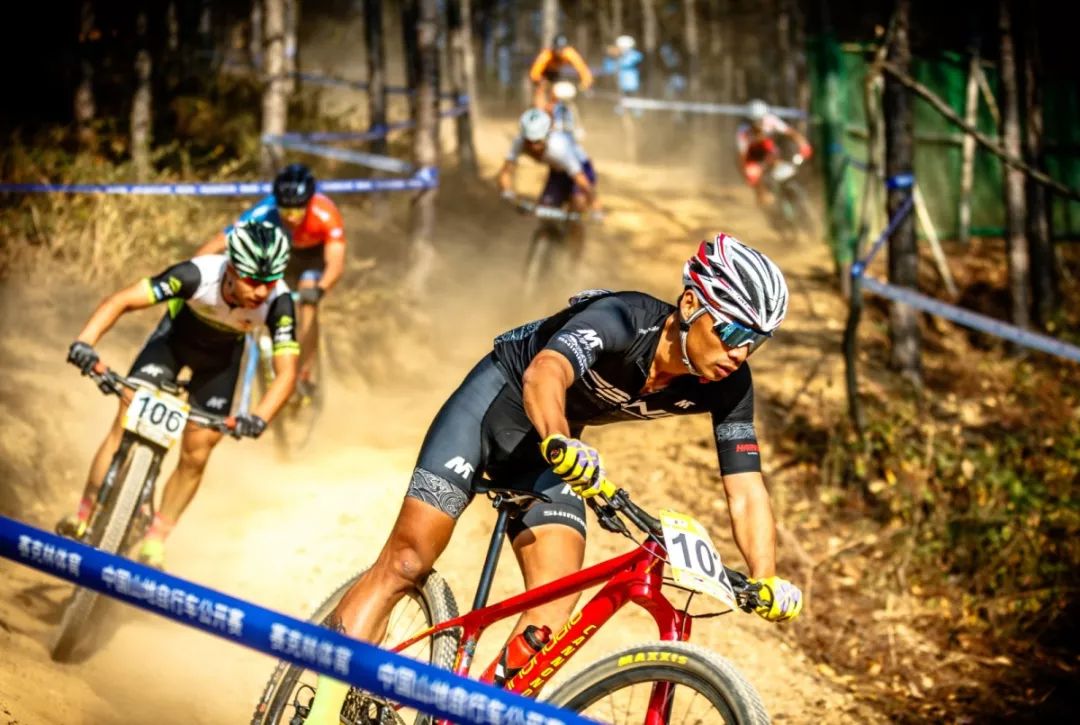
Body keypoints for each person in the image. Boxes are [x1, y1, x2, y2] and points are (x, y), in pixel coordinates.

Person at [301, 233, 803, 721]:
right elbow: (546, 372)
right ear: (691, 303)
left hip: (550, 450)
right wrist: (561, 440)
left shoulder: (729, 384)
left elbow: (746, 487)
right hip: (492, 411)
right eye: (733, 333)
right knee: (407, 562)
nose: (740, 353)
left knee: (557, 601)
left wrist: (765, 576)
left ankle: (478, 711)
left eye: (756, 342)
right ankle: (320, 711)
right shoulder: (624, 318)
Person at [58, 221, 299, 569]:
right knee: (125, 421)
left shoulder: (280, 303)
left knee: (197, 452)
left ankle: (156, 539)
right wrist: (85, 342)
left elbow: (287, 372)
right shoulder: (197, 275)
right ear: (231, 268)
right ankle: (83, 514)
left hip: (220, 363)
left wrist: (260, 417)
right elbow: (122, 300)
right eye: (252, 280)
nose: (261, 292)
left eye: (270, 281)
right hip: (171, 344)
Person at [198, 163, 345, 399]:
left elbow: (335, 262)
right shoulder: (264, 211)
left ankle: (304, 372)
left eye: (297, 211)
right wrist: (195, 270)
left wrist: (320, 289)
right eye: (285, 211)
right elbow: (221, 241)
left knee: (308, 297)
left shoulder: (325, 213)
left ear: (309, 203)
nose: (291, 218)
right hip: (282, 257)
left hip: (313, 259)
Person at [497, 108, 599, 253]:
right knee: (545, 210)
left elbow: (581, 180)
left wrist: (595, 205)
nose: (533, 147)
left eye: (537, 141)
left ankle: (574, 258)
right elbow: (506, 172)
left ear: (547, 136)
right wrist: (508, 194)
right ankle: (549, 244)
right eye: (528, 141)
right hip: (558, 172)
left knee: (577, 206)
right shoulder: (519, 142)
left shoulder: (559, 149)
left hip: (581, 170)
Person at [736, 99, 814, 207]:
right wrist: (745, 172)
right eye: (754, 121)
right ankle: (764, 198)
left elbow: (790, 132)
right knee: (754, 177)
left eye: (760, 119)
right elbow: (742, 155)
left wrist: (803, 144)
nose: (758, 123)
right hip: (752, 157)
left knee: (775, 155)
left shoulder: (770, 120)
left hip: (769, 152)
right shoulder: (743, 131)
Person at [527, 33, 594, 111]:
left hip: (556, 74)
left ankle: (560, 111)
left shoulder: (569, 53)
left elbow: (582, 69)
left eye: (561, 49)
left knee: (559, 95)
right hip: (543, 76)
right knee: (540, 95)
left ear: (565, 48)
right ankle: (539, 112)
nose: (559, 52)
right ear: (553, 47)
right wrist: (539, 80)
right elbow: (534, 72)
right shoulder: (546, 55)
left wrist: (585, 83)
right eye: (557, 48)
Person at [603, 35, 644, 114]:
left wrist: (621, 56)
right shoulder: (614, 57)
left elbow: (634, 59)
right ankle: (620, 115)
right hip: (619, 85)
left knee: (634, 104)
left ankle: (636, 116)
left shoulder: (633, 55)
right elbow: (608, 68)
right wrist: (610, 56)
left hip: (632, 86)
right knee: (620, 104)